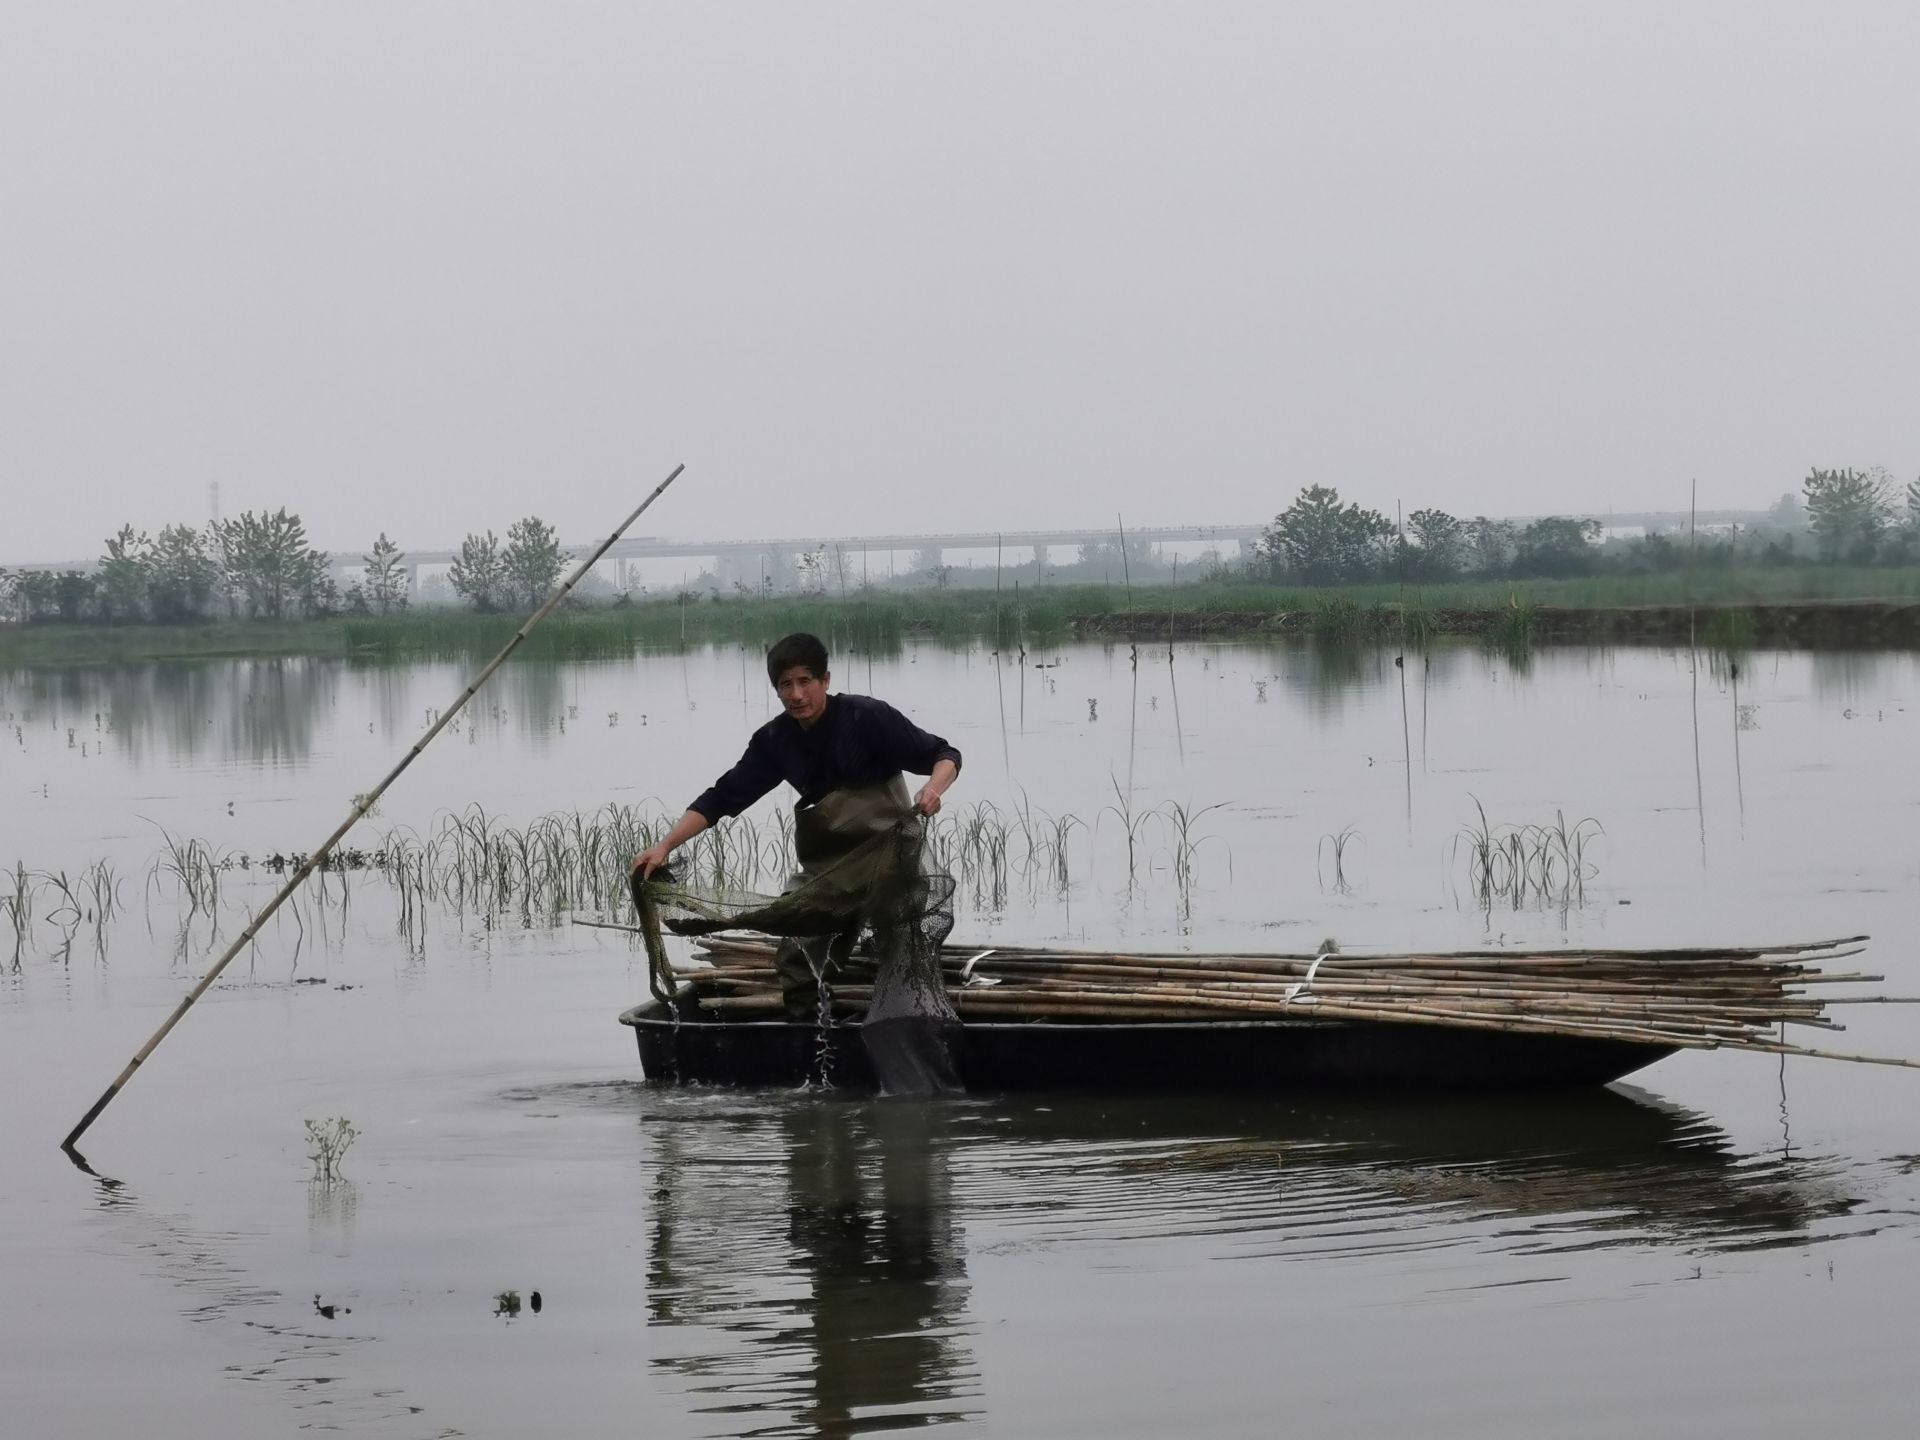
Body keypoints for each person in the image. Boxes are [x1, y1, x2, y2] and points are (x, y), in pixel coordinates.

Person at [631, 632, 962, 1018]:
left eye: (805, 681)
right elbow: (721, 798)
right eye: (785, 685)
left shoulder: (867, 717)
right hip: (830, 871)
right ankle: (813, 1046)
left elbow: (945, 753)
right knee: (794, 955)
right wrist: (665, 846)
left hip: (891, 865)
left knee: (901, 952)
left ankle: (907, 1024)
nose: (796, 694)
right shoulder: (775, 741)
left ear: (825, 680)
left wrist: (933, 789)